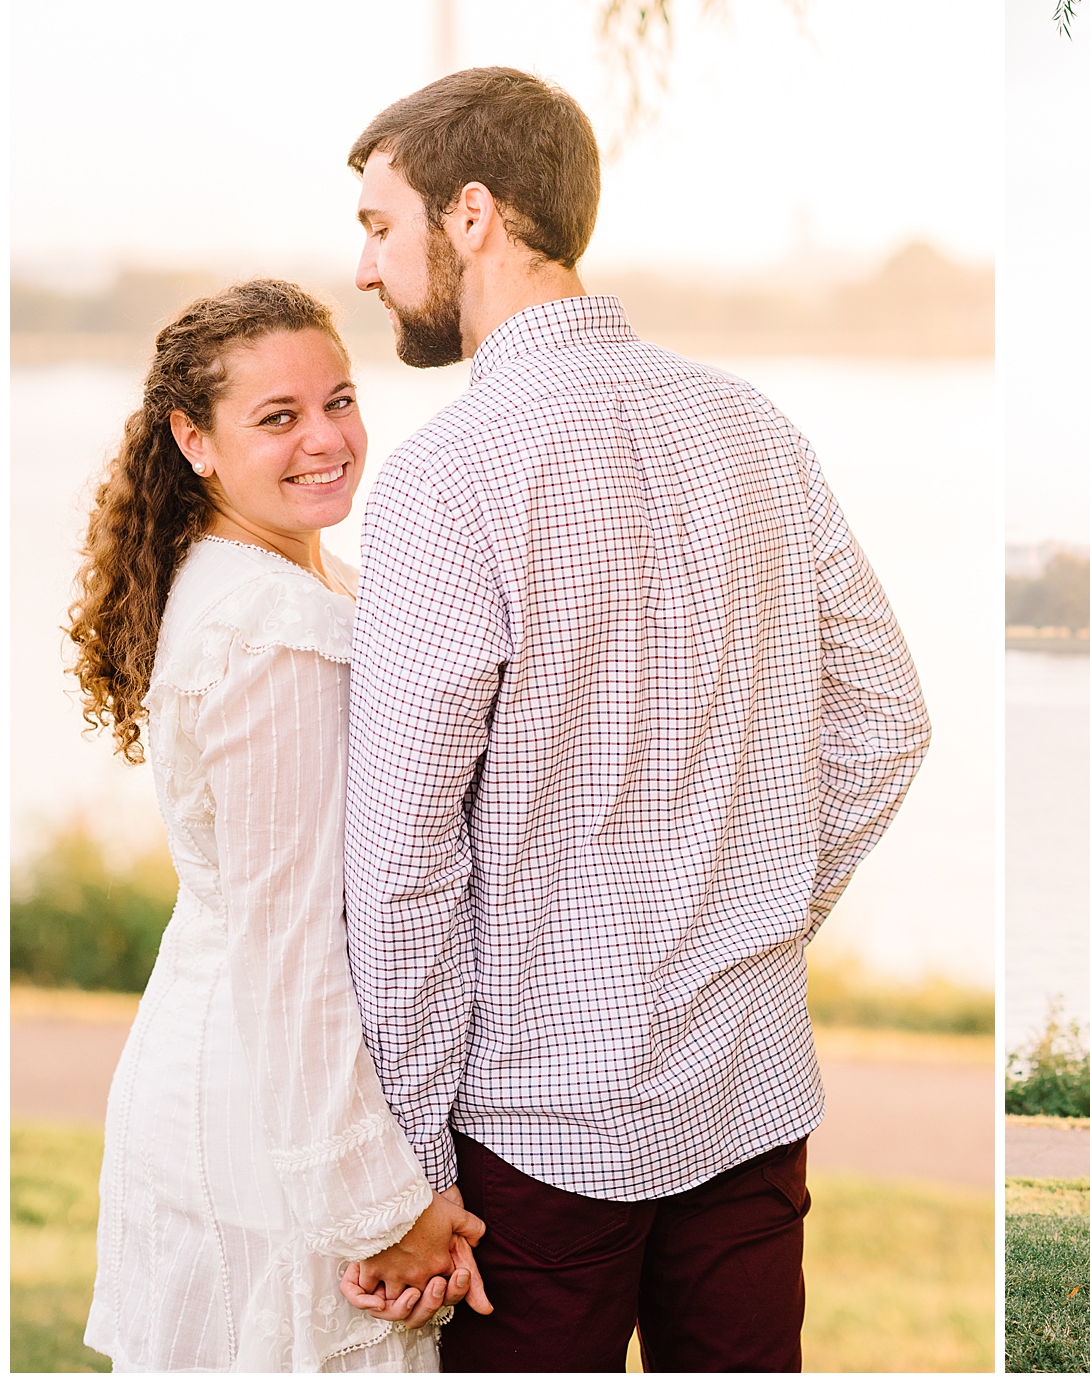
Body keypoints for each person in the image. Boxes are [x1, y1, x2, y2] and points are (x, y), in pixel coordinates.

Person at [335, 68, 931, 1372]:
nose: (367, 270)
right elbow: (886, 718)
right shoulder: (755, 427)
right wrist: (756, 912)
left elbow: (400, 861)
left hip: (540, 1135)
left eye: (381, 226)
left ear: (473, 214)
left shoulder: (446, 482)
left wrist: (411, 1172)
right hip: (750, 1086)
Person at [72, 281, 489, 1371]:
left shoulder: (287, 576)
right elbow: (289, 940)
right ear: (193, 440)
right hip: (270, 1120)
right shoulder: (271, 630)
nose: (325, 438)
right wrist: (380, 1207)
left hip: (238, 1068)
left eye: (339, 399)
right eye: (277, 416)